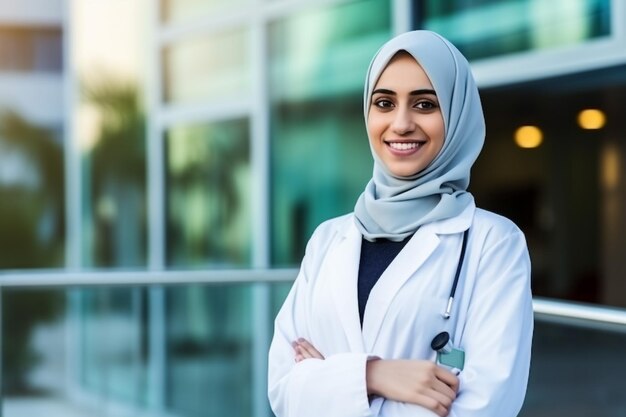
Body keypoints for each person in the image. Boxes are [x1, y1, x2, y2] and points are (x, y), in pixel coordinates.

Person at [267, 30, 533, 417]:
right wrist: (374, 375)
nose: (402, 123)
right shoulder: (329, 238)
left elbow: (487, 404)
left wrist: (326, 380)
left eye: (425, 104)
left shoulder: (495, 243)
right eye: (384, 103)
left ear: (457, 115)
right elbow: (283, 388)